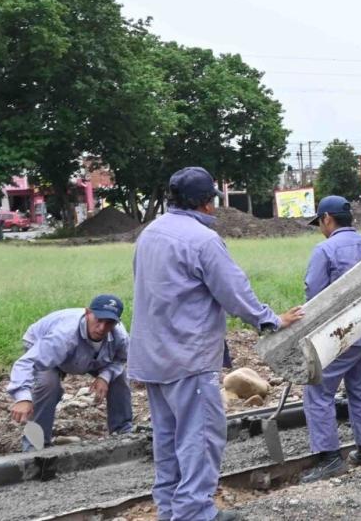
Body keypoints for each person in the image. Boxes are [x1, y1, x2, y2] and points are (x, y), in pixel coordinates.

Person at [130, 167, 304, 521]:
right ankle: (194, 513)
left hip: (152, 357)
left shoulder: (151, 233)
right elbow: (233, 291)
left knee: (167, 441)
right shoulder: (202, 240)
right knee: (199, 437)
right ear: (207, 203)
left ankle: (171, 511)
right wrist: (270, 319)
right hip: (188, 357)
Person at [299, 195, 361, 483]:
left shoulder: (324, 250)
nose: (320, 228)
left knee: (318, 392)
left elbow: (315, 295)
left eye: (320, 222)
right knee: (359, 388)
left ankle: (329, 458)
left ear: (327, 218)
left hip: (341, 335)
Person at [6, 295, 132, 450]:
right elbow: (26, 363)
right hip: (43, 347)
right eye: (99, 320)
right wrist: (22, 398)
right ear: (87, 313)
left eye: (109, 323)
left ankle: (123, 433)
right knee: (48, 385)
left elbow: (120, 360)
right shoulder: (63, 335)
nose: (102, 328)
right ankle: (35, 446)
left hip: (89, 357)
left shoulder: (120, 336)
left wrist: (104, 377)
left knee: (118, 378)